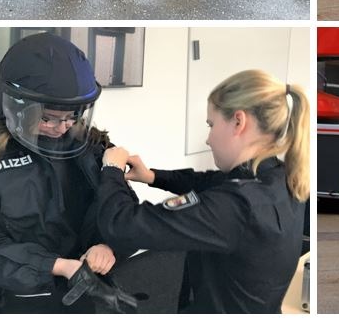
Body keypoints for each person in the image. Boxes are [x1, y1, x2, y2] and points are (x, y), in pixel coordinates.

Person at [0, 33, 137, 313]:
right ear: (16, 107)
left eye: (72, 116)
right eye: (48, 118)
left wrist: (108, 246)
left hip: (89, 292)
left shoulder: (92, 148)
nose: (62, 127)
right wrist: (56, 266)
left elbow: (124, 212)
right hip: (22, 298)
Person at [96, 69, 309, 314]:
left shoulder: (236, 207)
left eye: (211, 124)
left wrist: (111, 168)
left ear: (238, 122)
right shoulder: (280, 177)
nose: (208, 139)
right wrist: (152, 176)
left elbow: (122, 225)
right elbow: (209, 181)